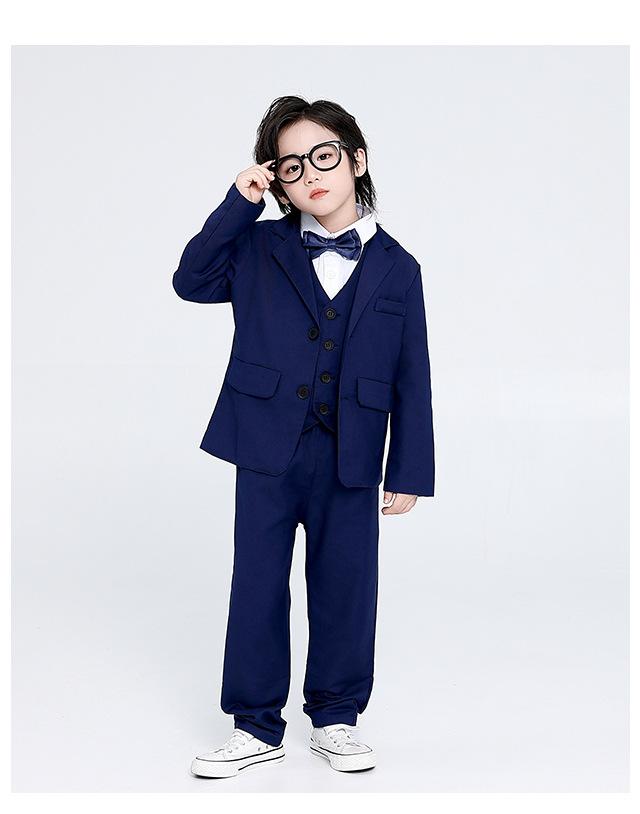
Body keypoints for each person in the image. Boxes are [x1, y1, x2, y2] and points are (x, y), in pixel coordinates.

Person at [172, 96, 435, 778]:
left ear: (357, 160)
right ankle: (254, 725)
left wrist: (409, 469)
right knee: (257, 583)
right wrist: (238, 203)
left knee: (347, 585)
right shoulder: (259, 246)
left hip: (353, 451)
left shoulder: (400, 268)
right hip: (265, 443)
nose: (310, 173)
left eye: (323, 156)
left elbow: (413, 376)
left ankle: (336, 717)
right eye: (290, 165)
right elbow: (190, 280)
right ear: (276, 180)